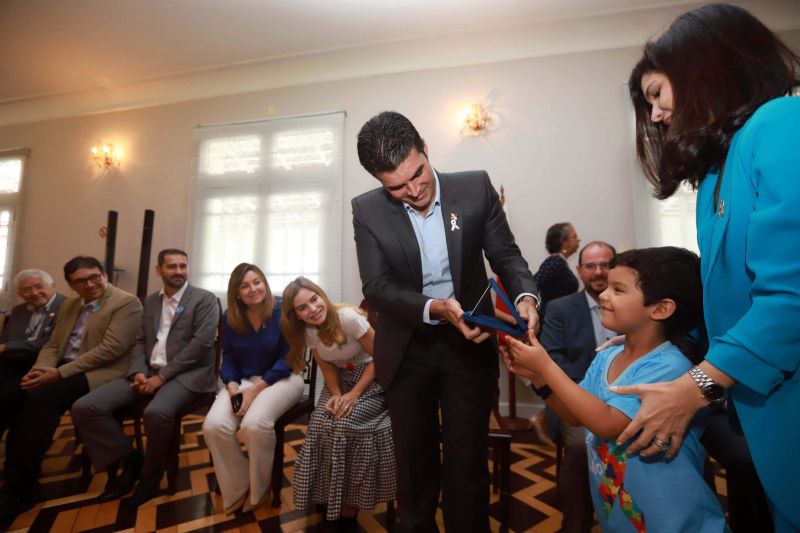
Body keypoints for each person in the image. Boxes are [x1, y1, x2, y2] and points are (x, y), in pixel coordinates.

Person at [618, 5, 800, 530]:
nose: (654, 114)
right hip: (758, 408)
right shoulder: (714, 176)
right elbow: (724, 298)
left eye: (658, 93)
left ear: (703, 69)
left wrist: (693, 387)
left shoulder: (781, 124)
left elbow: (790, 297)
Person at [352, 111, 539, 532]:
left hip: (468, 344)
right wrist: (436, 309)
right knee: (414, 467)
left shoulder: (473, 187)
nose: (414, 190)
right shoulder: (367, 211)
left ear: (426, 150)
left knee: (467, 464)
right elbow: (377, 286)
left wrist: (526, 296)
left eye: (418, 174)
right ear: (380, 183)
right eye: (397, 187)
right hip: (407, 347)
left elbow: (506, 256)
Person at [504, 247, 727, 532]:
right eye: (607, 287)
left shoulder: (669, 367)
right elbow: (575, 417)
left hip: (677, 522)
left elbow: (609, 424)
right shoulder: (607, 356)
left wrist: (546, 366)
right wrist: (539, 380)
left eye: (618, 290)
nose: (603, 295)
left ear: (660, 308)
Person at [71, 249, 219, 505]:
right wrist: (138, 371)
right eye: (172, 266)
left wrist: (161, 378)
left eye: (183, 266)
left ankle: (150, 475)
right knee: (85, 407)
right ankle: (129, 459)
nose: (179, 271)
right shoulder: (150, 302)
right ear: (158, 270)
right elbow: (139, 341)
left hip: (189, 375)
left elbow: (201, 345)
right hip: (147, 372)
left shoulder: (205, 299)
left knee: (156, 413)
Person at [0, 256, 142, 522]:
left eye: (94, 277)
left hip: (102, 372)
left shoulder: (126, 302)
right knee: (16, 395)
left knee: (42, 398)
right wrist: (39, 370)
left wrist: (57, 373)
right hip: (64, 368)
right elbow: (53, 345)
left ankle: (21, 489)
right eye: (81, 281)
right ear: (70, 285)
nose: (89, 284)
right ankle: (18, 473)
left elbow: (111, 350)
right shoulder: (70, 305)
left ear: (104, 275)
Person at [282, 277, 396, 530]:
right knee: (321, 421)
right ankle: (326, 496)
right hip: (340, 380)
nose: (312, 309)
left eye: (314, 299)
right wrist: (335, 394)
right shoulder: (308, 331)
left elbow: (382, 358)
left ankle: (348, 510)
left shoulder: (348, 319)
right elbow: (325, 365)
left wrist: (353, 394)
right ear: (297, 316)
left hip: (372, 379)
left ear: (321, 295)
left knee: (344, 425)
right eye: (302, 308)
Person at [202, 263, 304, 514]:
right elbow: (230, 357)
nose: (253, 289)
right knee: (213, 426)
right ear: (236, 293)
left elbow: (289, 356)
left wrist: (255, 389)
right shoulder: (230, 316)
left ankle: (260, 489)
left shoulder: (284, 310)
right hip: (244, 380)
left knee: (254, 424)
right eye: (244, 285)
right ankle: (238, 486)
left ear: (265, 283)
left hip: (284, 378)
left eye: (257, 282)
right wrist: (232, 385)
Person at [537, 241, 616, 533]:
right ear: (579, 271)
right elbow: (553, 361)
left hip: (628, 399)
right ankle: (576, 525)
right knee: (585, 448)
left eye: (605, 265)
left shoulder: (635, 305)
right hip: (574, 400)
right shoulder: (560, 309)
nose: (598, 272)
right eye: (591, 266)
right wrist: (588, 398)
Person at [0, 269, 66, 440]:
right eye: (27, 290)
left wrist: (7, 348)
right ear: (21, 294)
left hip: (47, 364)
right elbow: (6, 339)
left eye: (39, 286)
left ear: (52, 286)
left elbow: (51, 343)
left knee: (9, 398)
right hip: (13, 361)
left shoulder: (67, 307)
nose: (34, 293)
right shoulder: (19, 310)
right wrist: (6, 348)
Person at [532, 223, 580, 319]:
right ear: (564, 242)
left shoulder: (559, 262)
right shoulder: (555, 262)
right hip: (552, 320)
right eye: (574, 237)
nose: (578, 240)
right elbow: (533, 284)